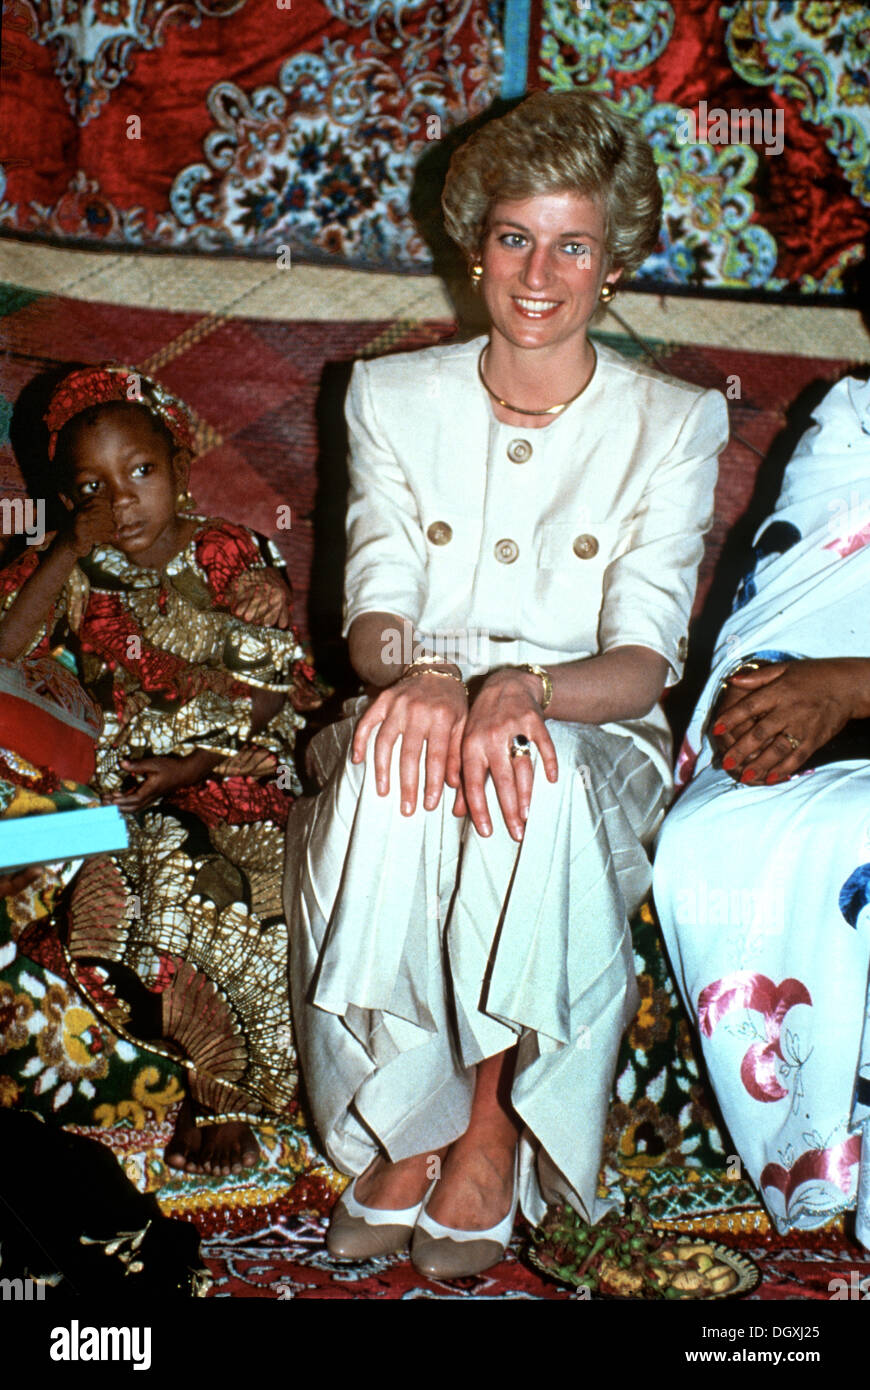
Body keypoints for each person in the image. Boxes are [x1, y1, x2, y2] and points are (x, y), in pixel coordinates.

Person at [284, 88, 728, 1279]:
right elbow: (369, 616)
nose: (541, 273)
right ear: (474, 247)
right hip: (418, 706)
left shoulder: (674, 422)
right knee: (402, 760)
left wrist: (521, 687)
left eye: (573, 244)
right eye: (515, 238)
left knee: (520, 767)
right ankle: (402, 1117)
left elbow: (646, 658)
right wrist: (423, 676)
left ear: (614, 260)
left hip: (592, 730)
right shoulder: (389, 395)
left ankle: (486, 1127)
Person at [0, 366, 319, 1176]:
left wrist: (189, 766)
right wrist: (70, 548)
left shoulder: (228, 554)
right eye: (89, 487)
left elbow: (267, 690)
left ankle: (226, 1087)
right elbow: (8, 652)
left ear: (180, 464)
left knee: (223, 884)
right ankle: (90, 1061)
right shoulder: (72, 563)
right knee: (59, 850)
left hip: (229, 773)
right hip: (120, 785)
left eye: (140, 473)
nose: (122, 501)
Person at [653, 374, 870, 1244]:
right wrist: (788, 692)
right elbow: (786, 611)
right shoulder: (857, 425)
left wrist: (854, 686)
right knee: (726, 831)